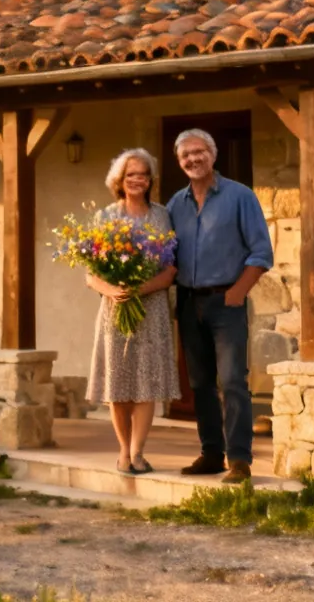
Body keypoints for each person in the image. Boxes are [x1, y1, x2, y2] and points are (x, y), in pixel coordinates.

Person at [166, 128, 273, 485]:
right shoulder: (174, 205)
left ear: (213, 155)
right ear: (179, 161)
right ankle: (211, 453)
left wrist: (238, 292)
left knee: (231, 381)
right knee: (199, 384)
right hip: (188, 301)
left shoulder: (240, 196)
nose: (193, 159)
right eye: (186, 155)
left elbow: (261, 252)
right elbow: (164, 256)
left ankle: (239, 460)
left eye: (199, 152)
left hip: (227, 300)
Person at [83, 148, 179, 475]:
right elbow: (90, 273)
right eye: (130, 175)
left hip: (151, 311)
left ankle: (138, 453)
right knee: (118, 385)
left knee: (145, 383)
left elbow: (169, 271)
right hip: (115, 310)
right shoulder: (105, 217)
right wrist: (113, 290)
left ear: (150, 180)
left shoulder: (162, 216)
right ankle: (123, 451)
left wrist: (139, 289)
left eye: (142, 174)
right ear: (119, 181)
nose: (137, 180)